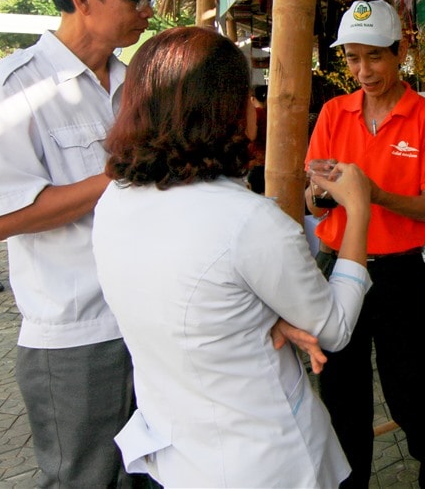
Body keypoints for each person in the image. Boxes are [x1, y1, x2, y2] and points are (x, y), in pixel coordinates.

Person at [91, 27, 372, 487]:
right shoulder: (248, 220)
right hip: (266, 459)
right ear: (223, 110)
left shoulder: (115, 201)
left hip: (182, 453)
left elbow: (189, 295)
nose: (255, 107)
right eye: (248, 94)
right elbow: (334, 329)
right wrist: (358, 209)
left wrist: (256, 316)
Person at [0, 0, 152, 488]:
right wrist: (118, 177)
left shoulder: (138, 88)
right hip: (77, 335)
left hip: (149, 319)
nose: (147, 11)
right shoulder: (13, 88)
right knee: (87, 479)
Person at [306, 0, 425, 488]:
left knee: (409, 389)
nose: (363, 71)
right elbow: (312, 200)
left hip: (398, 274)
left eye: (374, 57)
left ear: (400, 52)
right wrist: (323, 197)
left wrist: (373, 194)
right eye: (352, 58)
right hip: (336, 268)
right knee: (343, 395)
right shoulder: (332, 112)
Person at [247, 84, 268, 194]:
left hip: (258, 161)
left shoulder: (257, 113)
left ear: (252, 98)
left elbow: (252, 135)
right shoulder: (270, 113)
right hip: (267, 158)